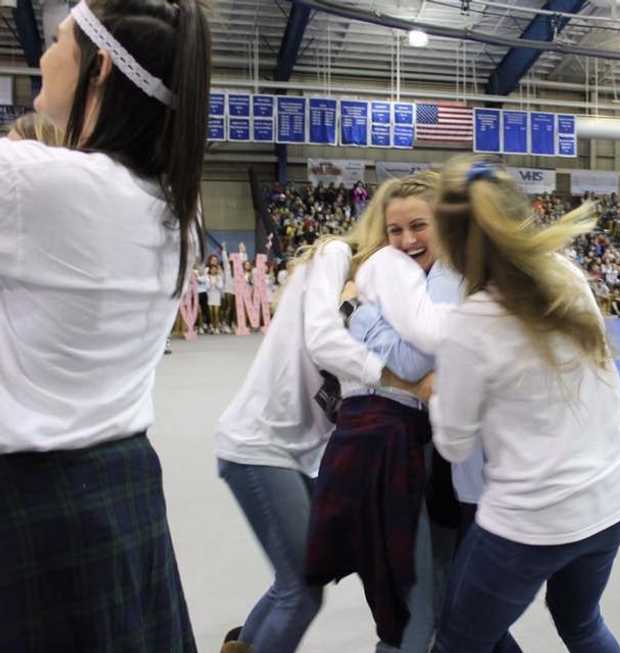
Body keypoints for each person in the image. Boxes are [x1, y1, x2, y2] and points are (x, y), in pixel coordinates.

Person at [0, 1, 211, 650]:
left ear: (101, 69)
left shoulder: (36, 182)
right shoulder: (179, 212)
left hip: (30, 500)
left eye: (57, 40)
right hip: (125, 487)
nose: (42, 56)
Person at [428, 157, 620, 653]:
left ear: (451, 243)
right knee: (581, 622)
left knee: (458, 642)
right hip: (610, 496)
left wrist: (441, 392)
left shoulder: (471, 322)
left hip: (531, 518)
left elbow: (454, 444)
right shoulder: (567, 276)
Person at [214, 181, 417, 653]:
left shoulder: (381, 301)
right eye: (395, 231)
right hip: (260, 443)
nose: (404, 245)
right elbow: (322, 339)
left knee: (301, 577)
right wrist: (399, 378)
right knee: (300, 591)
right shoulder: (335, 256)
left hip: (299, 454)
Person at [306, 172, 466, 653]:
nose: (406, 240)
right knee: (407, 594)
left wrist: (357, 312)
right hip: (395, 446)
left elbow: (416, 360)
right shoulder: (396, 273)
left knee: (428, 592)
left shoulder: (448, 277)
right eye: (395, 230)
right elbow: (413, 364)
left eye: (419, 226)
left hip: (436, 452)